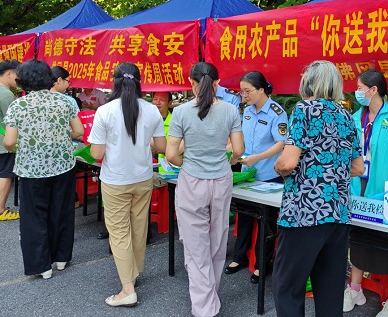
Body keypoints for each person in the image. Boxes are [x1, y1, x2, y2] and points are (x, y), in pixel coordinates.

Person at [272, 60, 364, 317]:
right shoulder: (346, 115)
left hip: (305, 213)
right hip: (338, 214)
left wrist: (279, 167)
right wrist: (330, 171)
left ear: (309, 83)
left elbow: (288, 163)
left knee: (288, 285)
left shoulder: (304, 109)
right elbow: (357, 167)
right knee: (330, 289)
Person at [165, 62, 243, 317]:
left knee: (195, 245)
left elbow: (171, 155)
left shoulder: (181, 112)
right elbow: (239, 150)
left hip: (192, 180)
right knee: (217, 241)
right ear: (217, 83)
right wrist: (229, 161)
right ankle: (209, 299)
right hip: (221, 179)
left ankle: (204, 308)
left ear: (191, 82)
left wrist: (186, 163)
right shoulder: (231, 110)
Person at [89, 62, 166, 307]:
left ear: (115, 81)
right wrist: (142, 143)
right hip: (143, 177)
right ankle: (133, 274)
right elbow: (161, 147)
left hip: (115, 180)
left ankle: (127, 289)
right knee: (139, 227)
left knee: (119, 232)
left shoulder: (105, 111)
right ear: (139, 82)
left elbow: (96, 153)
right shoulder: (152, 110)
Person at [2, 59, 84, 279]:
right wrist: (60, 135)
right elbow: (78, 132)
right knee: (61, 211)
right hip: (63, 165)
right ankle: (61, 258)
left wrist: (17, 145)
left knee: (34, 216)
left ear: (23, 80)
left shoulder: (18, 105)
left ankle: (42, 266)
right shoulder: (65, 102)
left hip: (31, 169)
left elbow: (9, 141)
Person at [344, 69, 388, 317]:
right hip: (357, 186)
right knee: (358, 238)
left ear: (373, 90)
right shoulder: (354, 118)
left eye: (360, 88)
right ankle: (355, 289)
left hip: (383, 190)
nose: (357, 92)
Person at [224, 71, 288, 283]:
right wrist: (230, 153)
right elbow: (240, 137)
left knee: (266, 223)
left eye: (247, 91)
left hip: (268, 175)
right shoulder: (247, 111)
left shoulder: (277, 112)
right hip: (247, 174)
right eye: (242, 91)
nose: (244, 95)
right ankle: (239, 257)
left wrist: (257, 158)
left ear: (261, 90)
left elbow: (281, 143)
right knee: (244, 217)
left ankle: (262, 264)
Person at [0, 60, 20, 221]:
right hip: (4, 142)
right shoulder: (6, 94)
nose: (18, 79)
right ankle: (1, 210)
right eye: (17, 75)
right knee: (5, 175)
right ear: (8, 74)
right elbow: (14, 121)